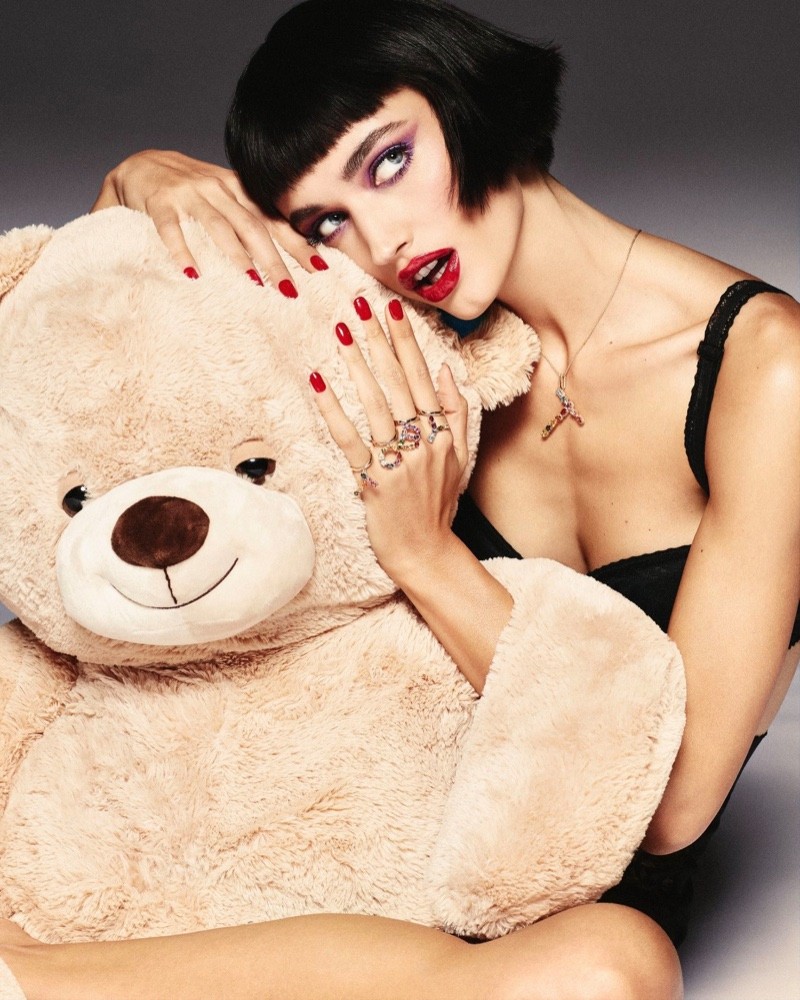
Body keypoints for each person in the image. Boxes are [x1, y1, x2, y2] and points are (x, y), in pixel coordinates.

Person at [2, 1, 798, 997]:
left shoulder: (767, 372)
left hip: (538, 903)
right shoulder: (407, 341)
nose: (379, 241)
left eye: (388, 161)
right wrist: (139, 176)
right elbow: (129, 345)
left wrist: (426, 554)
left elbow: (673, 805)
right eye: (325, 223)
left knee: (609, 970)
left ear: (469, 96)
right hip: (337, 825)